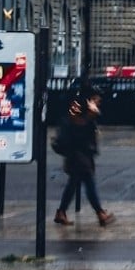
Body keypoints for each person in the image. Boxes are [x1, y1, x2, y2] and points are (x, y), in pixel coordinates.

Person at [54, 79, 113, 227]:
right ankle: (100, 213)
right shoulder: (77, 107)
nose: (99, 101)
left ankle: (61, 212)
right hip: (77, 153)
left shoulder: (88, 109)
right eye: (96, 98)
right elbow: (76, 126)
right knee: (88, 182)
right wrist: (90, 115)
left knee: (74, 183)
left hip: (83, 152)